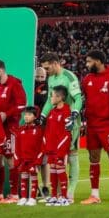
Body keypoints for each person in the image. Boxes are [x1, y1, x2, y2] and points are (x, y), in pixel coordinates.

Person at [80, 50, 109, 205]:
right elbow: (84, 99)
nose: (87, 65)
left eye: (89, 62)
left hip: (107, 125)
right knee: (93, 159)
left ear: (99, 61)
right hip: (92, 125)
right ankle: (95, 195)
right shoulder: (87, 80)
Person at [40, 52, 83, 203]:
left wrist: (74, 113)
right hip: (55, 122)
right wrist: (43, 115)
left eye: (47, 68)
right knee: (55, 156)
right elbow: (48, 100)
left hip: (70, 121)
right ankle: (57, 193)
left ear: (55, 63)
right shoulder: (51, 78)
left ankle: (70, 192)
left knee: (71, 154)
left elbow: (78, 98)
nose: (46, 71)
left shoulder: (69, 76)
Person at [0, 60, 27, 204]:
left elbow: (22, 105)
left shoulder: (14, 84)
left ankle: (14, 195)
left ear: (0, 71)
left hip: (10, 128)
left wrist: (7, 113)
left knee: (11, 160)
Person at [43, 86, 73, 207]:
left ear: (60, 97)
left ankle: (64, 197)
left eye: (53, 95)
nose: (51, 98)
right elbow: (47, 131)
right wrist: (46, 146)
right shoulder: (52, 112)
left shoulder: (67, 111)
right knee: (53, 171)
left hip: (60, 149)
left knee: (60, 170)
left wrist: (61, 148)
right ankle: (54, 196)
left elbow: (67, 133)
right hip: (51, 148)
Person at [14, 107, 43, 206]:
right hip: (23, 159)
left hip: (33, 160)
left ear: (35, 117)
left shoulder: (38, 130)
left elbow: (41, 147)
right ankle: (23, 197)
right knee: (23, 178)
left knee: (33, 178)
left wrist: (38, 160)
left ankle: (33, 198)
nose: (26, 116)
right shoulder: (20, 130)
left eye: (29, 114)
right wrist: (17, 159)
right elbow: (17, 146)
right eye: (25, 114)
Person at [33, 66, 51, 198]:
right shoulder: (29, 84)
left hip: (44, 127)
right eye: (37, 77)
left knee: (44, 160)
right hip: (32, 126)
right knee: (34, 159)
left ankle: (46, 186)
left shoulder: (49, 87)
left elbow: (44, 102)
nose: (39, 79)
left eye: (41, 77)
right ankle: (36, 186)